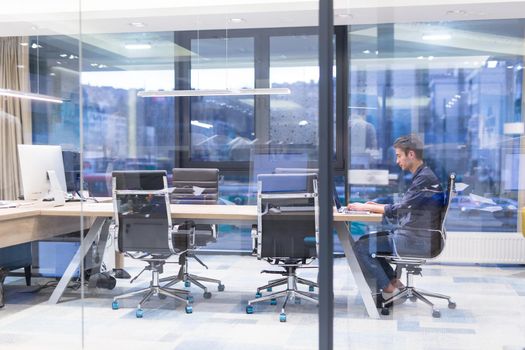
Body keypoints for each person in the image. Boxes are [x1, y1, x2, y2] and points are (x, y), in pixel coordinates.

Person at [347, 134, 444, 305]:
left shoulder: (424, 179)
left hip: (415, 240)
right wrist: (374, 205)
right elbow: (405, 205)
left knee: (361, 247)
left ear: (411, 154)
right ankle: (393, 282)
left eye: (399, 156)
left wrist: (366, 207)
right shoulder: (424, 176)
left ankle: (388, 289)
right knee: (364, 241)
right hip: (417, 236)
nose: (397, 160)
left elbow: (398, 210)